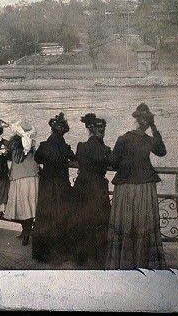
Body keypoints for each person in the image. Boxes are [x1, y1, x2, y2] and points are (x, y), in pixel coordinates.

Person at [106, 103, 167, 269]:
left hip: (126, 186)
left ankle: (124, 261)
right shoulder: (148, 140)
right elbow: (162, 151)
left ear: (135, 121)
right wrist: (154, 127)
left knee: (126, 223)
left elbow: (112, 162)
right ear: (147, 124)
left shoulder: (123, 139)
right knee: (142, 223)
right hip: (145, 187)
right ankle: (142, 260)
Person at [32, 112, 76, 264]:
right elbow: (73, 158)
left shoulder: (44, 146)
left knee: (45, 216)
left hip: (46, 185)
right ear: (63, 132)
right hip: (60, 186)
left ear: (51, 131)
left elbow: (37, 158)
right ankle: (58, 253)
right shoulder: (64, 148)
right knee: (60, 215)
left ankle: (42, 252)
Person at [73, 113, 112, 268]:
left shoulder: (81, 146)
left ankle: (81, 256)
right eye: (101, 128)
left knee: (82, 219)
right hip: (97, 187)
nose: (102, 130)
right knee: (99, 220)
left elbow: (78, 160)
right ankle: (98, 257)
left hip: (82, 185)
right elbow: (108, 162)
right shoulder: (105, 149)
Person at [3, 121, 39, 246]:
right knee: (30, 205)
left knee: (22, 206)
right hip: (32, 177)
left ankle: (25, 232)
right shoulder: (32, 144)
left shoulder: (13, 145)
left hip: (18, 177)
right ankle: (27, 231)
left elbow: (9, 157)